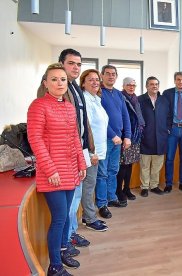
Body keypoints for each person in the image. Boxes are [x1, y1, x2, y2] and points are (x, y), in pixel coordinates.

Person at [27, 63, 87, 275]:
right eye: (54, 79)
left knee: (67, 215)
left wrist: (81, 163)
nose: (59, 83)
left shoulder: (69, 107)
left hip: (71, 170)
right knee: (60, 218)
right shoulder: (38, 105)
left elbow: (75, 139)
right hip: (52, 173)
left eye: (63, 79)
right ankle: (55, 266)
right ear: (45, 83)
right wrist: (50, 170)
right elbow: (35, 140)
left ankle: (62, 250)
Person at [58, 49, 95, 255]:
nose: (75, 67)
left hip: (80, 149)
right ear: (61, 63)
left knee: (76, 196)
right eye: (71, 63)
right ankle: (64, 241)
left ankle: (70, 233)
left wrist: (89, 147)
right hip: (66, 154)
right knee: (69, 201)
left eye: (78, 64)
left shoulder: (75, 88)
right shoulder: (59, 86)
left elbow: (83, 122)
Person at [97, 65, 131, 218]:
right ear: (102, 75)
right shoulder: (98, 94)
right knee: (102, 173)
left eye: (113, 74)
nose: (111, 76)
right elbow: (99, 120)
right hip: (105, 140)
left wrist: (127, 136)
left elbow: (125, 116)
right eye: (108, 74)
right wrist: (112, 135)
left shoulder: (118, 94)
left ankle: (112, 198)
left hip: (118, 140)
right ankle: (102, 203)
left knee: (113, 171)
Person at [80, 69, 109, 232]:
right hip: (92, 152)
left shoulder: (95, 99)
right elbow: (86, 129)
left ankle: (87, 215)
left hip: (98, 150)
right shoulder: (85, 99)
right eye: (91, 80)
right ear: (83, 82)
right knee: (89, 185)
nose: (95, 82)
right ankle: (90, 219)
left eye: (97, 80)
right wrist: (91, 153)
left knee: (90, 184)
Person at [138, 76, 171, 197]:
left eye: (156, 84)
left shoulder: (164, 100)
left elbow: (169, 116)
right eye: (151, 84)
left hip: (161, 137)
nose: (154, 86)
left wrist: (167, 129)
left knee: (157, 165)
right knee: (145, 165)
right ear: (146, 86)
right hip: (146, 137)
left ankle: (154, 185)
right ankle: (145, 187)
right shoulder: (140, 99)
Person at [116, 77, 145, 202]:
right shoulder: (120, 97)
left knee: (129, 165)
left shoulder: (135, 99)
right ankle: (119, 190)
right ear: (123, 86)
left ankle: (127, 189)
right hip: (124, 136)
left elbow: (139, 117)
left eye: (133, 85)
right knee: (122, 166)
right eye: (128, 85)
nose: (131, 87)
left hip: (135, 136)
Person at [163, 72, 182, 193]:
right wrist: (166, 128)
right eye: (178, 80)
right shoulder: (167, 93)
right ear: (174, 81)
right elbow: (163, 112)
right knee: (169, 158)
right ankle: (168, 183)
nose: (181, 82)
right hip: (172, 129)